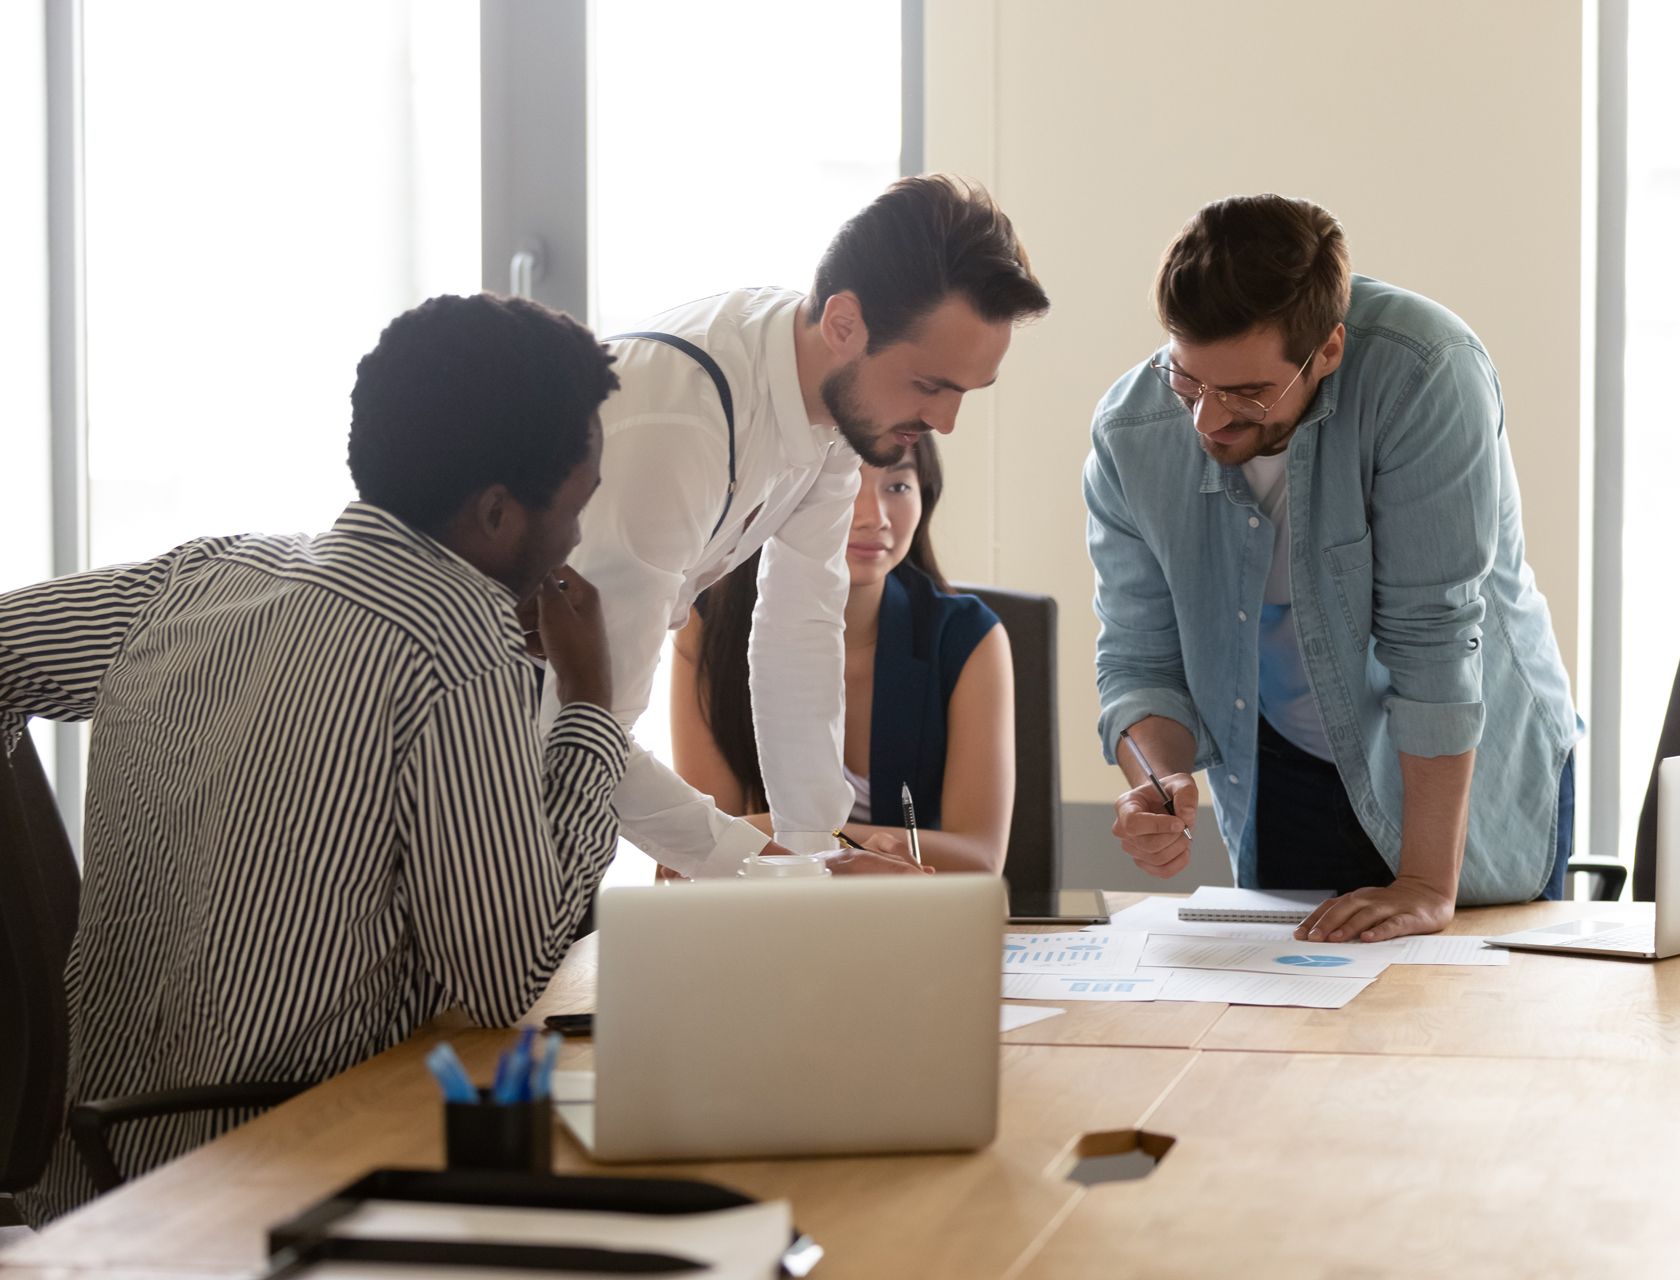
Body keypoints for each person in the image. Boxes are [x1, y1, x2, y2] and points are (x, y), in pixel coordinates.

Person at [2, 293, 627, 1223]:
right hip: (279, 1188)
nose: (579, 536)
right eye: (578, 503)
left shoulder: (207, 573)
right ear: (497, 513)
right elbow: (503, 974)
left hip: (83, 1188)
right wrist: (590, 710)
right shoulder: (454, 648)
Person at [1085, 195, 1580, 944]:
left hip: (1460, 772)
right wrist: (1160, 780)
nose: (1208, 422)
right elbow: (1138, 657)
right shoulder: (1131, 431)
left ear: (1329, 350)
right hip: (1286, 767)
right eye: (1190, 382)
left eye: (1248, 393)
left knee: (1466, 1027)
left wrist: (1422, 883)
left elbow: (1434, 640)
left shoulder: (1426, 374)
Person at [546, 174, 1047, 878]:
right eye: (929, 385)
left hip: (546, 752)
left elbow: (800, 632)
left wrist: (816, 853)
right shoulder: (680, 426)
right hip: (460, 739)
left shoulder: (836, 408)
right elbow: (588, 725)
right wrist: (789, 872)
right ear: (844, 324)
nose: (944, 423)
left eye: (964, 392)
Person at [672, 435, 1014, 873]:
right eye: (845, 483)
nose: (874, 518)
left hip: (910, 920)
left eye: (898, 487)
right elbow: (703, 846)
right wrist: (860, 845)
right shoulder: (706, 625)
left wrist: (796, 838)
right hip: (770, 917)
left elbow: (981, 859)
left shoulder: (969, 635)